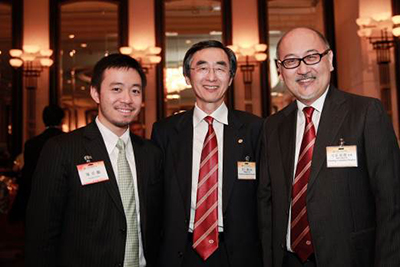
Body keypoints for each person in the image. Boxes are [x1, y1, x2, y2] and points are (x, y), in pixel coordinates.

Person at [258, 27, 400, 267]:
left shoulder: (365, 113)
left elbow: (392, 204)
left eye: (312, 57)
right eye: (291, 61)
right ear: (279, 70)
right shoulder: (272, 126)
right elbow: (267, 202)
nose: (303, 70)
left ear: (330, 60)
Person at [26, 54, 163, 267]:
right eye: (116, 89)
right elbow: (41, 233)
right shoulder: (62, 149)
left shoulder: (151, 153)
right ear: (95, 93)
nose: (127, 99)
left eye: (135, 91)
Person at [151, 40, 263, 267]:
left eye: (220, 68)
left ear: (230, 78)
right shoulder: (165, 131)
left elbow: (266, 195)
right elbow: (155, 196)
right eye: (202, 68)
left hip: (238, 254)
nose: (211, 77)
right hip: (181, 253)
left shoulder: (255, 129)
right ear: (187, 77)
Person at [9, 105, 64, 223]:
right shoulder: (70, 142)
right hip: (63, 199)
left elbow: (28, 176)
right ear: (61, 120)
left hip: (37, 198)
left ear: (43, 120)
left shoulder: (32, 144)